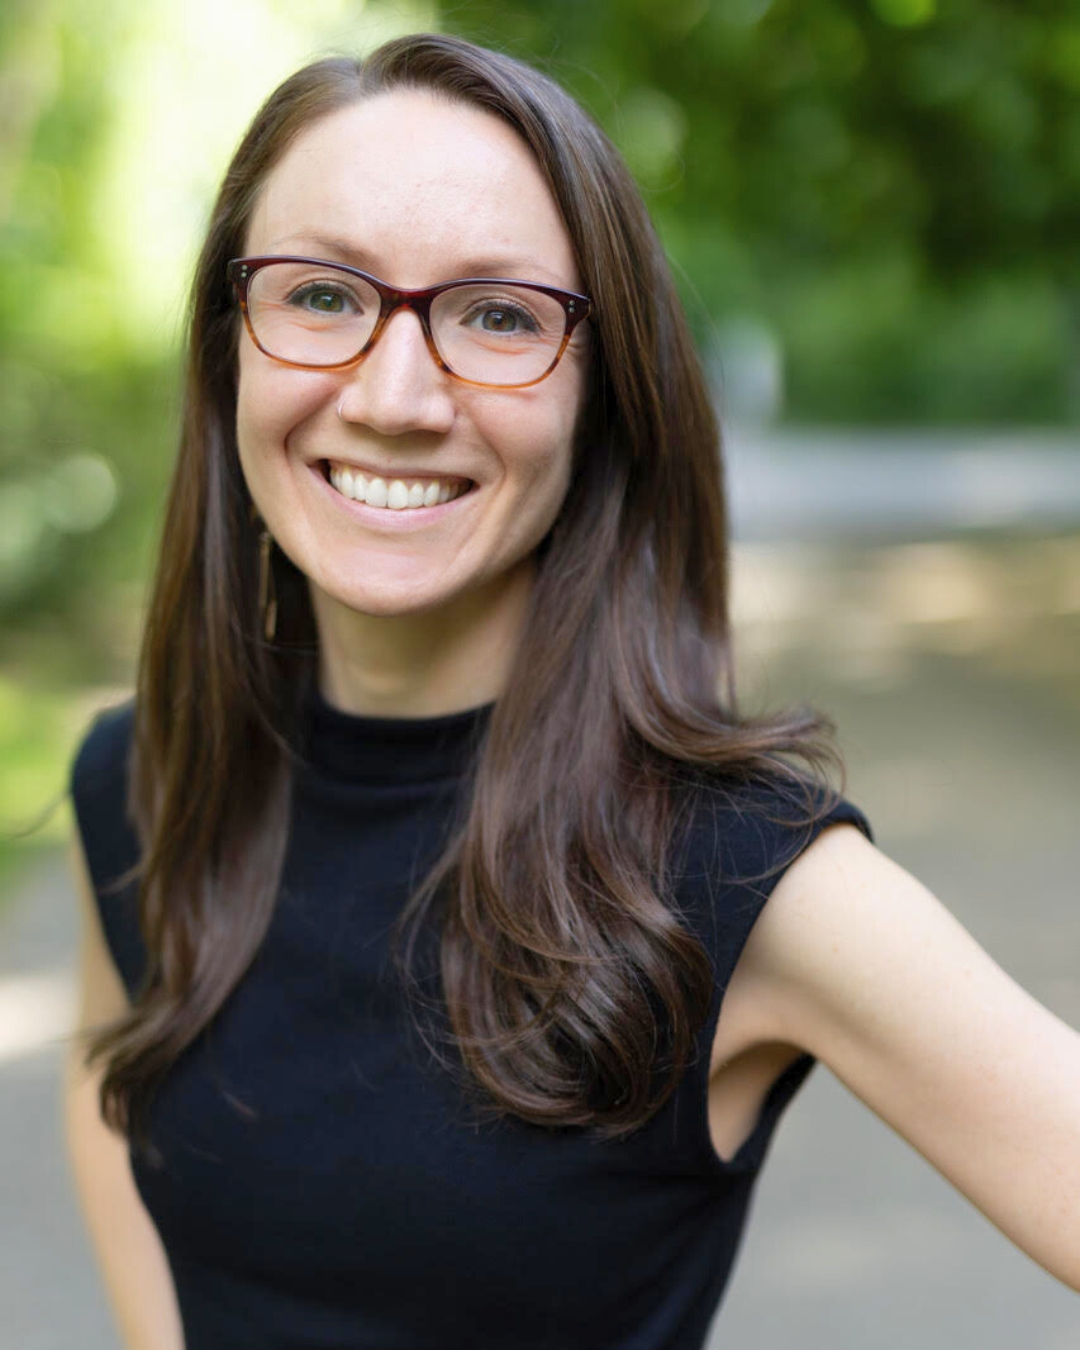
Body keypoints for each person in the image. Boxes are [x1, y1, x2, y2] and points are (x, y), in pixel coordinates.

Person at [63, 31, 1080, 1350]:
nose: (395, 394)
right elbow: (113, 1121)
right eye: (322, 294)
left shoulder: (736, 870)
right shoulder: (140, 779)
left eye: (498, 316)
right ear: (228, 346)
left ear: (602, 398)